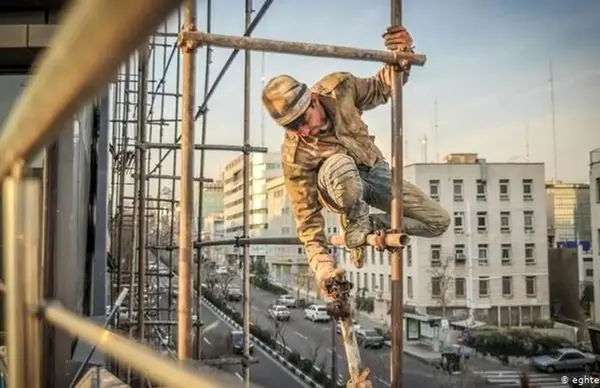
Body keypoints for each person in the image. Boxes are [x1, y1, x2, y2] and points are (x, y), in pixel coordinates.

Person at [261, 26, 451, 298]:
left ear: (313, 100)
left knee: (438, 222)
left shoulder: (340, 89)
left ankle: (366, 224)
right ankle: (354, 214)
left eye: (302, 120)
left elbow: (381, 88)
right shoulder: (295, 155)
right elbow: (308, 221)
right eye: (291, 127)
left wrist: (403, 56)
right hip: (338, 186)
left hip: (374, 171)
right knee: (339, 163)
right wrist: (324, 269)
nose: (302, 131)